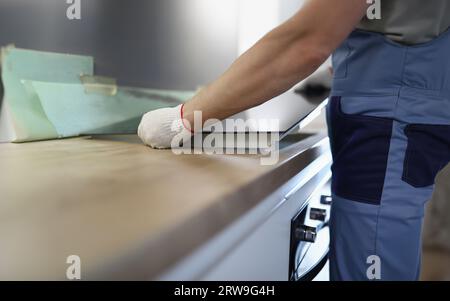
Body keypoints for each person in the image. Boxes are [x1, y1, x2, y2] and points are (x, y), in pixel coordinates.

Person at [138, 0, 450, 281]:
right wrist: (336, 73)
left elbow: (307, 42)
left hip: (388, 124)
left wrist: (183, 118)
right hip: (404, 109)